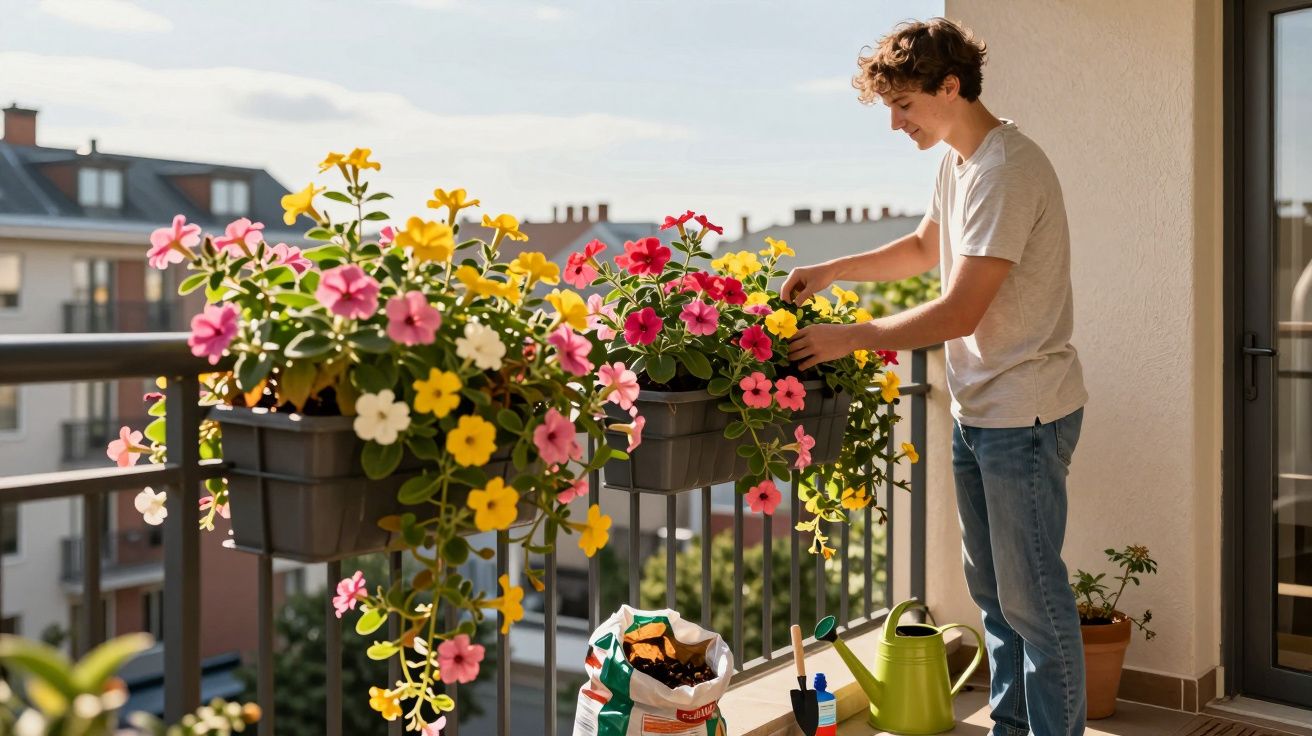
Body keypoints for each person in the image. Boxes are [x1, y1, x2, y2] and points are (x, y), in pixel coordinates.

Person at [780, 17, 1089, 736]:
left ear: (951, 86)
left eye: (905, 104)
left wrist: (848, 338)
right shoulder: (960, 161)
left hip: (1024, 413)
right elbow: (926, 246)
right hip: (980, 410)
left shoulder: (1007, 170)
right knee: (995, 599)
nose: (896, 123)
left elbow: (959, 311)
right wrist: (834, 269)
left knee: (1035, 604)